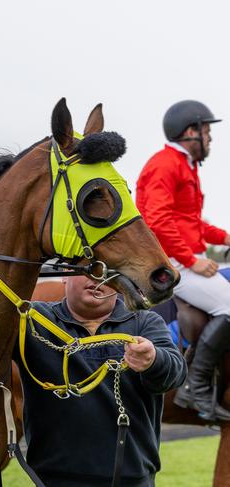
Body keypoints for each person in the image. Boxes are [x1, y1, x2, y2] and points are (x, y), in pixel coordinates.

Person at [14, 276, 186, 487]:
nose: (98, 279)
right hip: (53, 479)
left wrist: (153, 359)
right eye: (88, 268)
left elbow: (175, 374)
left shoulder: (145, 321)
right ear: (65, 274)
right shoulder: (33, 320)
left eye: (107, 271)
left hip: (132, 480)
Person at [136, 100, 230, 421]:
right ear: (191, 132)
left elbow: (193, 223)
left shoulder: (185, 165)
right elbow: (158, 220)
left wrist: (225, 237)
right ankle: (196, 386)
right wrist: (192, 260)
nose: (210, 139)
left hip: (186, 257)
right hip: (172, 263)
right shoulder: (165, 164)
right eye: (207, 132)